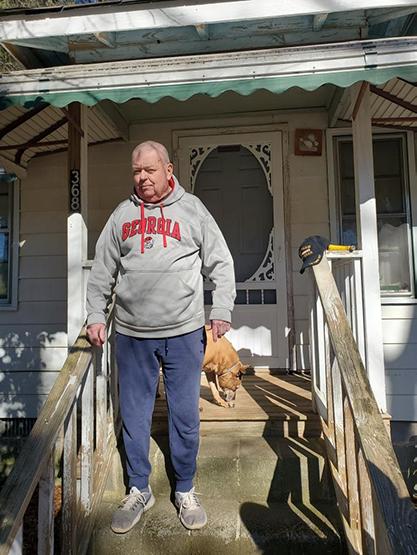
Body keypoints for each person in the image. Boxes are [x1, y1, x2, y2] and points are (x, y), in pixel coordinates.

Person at [86, 140, 235, 533]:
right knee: (135, 417)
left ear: (168, 170)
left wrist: (221, 308)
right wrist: (95, 315)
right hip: (133, 335)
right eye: (136, 171)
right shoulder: (122, 216)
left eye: (149, 170)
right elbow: (102, 270)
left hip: (184, 333)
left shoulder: (192, 210)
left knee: (185, 415)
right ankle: (138, 488)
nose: (142, 178)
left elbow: (219, 260)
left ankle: (184, 488)